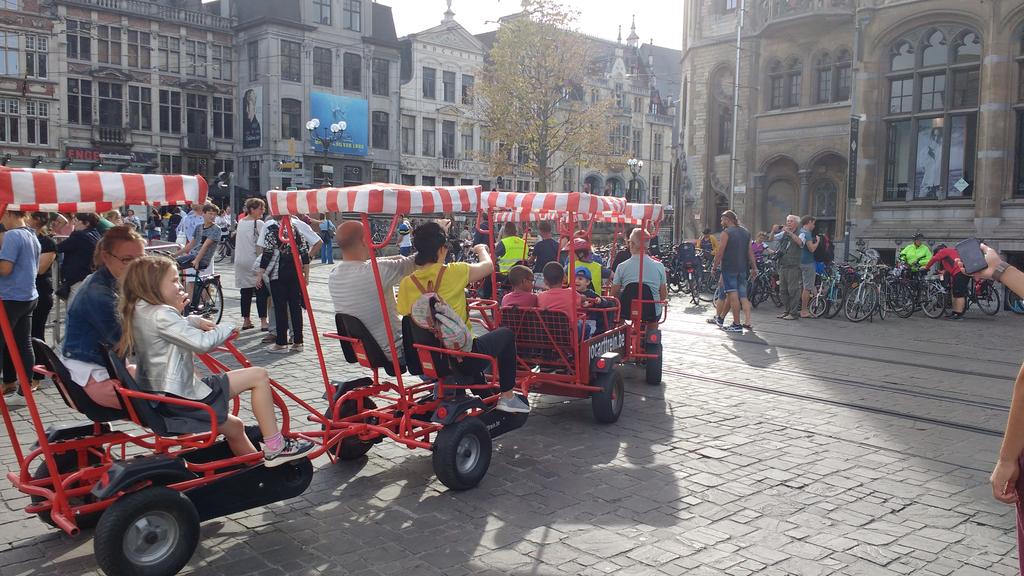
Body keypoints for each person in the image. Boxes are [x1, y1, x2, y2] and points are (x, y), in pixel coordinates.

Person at [118, 255, 313, 465]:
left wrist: (191, 319)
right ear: (153, 285)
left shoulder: (140, 310)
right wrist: (226, 327)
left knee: (235, 427)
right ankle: (276, 446)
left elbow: (168, 329)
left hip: (164, 398)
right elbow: (201, 343)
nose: (180, 285)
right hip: (184, 398)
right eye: (174, 280)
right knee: (258, 375)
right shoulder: (162, 314)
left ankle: (258, 472)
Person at [396, 222, 529, 413]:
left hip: (430, 357)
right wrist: (481, 249)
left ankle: (482, 393)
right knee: (506, 335)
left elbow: (408, 316)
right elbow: (489, 266)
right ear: (442, 249)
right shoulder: (455, 271)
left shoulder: (407, 283)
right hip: (462, 357)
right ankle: (507, 396)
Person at [61, 226, 145, 408]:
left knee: (180, 384)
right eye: (127, 259)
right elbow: (128, 343)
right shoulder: (98, 293)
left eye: (140, 259)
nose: (135, 266)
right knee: (175, 395)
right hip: (94, 377)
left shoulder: (113, 281)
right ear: (106, 257)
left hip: (104, 369)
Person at [329, 221, 416, 363]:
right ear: (364, 240)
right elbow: (415, 261)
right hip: (396, 351)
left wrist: (398, 258)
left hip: (362, 349)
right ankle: (439, 383)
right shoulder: (377, 272)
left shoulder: (334, 275)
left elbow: (378, 263)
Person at [0, 210, 40, 404]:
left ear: (8, 213)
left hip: (10, 297)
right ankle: (24, 393)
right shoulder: (32, 234)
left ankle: (20, 391)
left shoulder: (13, 235)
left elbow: (5, 269)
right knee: (24, 344)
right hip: (28, 296)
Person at [258, 215, 311, 353]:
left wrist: (259, 275)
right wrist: (306, 275)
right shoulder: (296, 230)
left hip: (278, 273)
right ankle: (298, 342)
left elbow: (267, 254)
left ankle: (281, 343)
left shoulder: (272, 230)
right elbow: (304, 254)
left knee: (280, 308)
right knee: (295, 307)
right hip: (295, 272)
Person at [711, 210, 758, 332]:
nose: (721, 222)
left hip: (729, 268)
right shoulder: (746, 232)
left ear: (728, 219)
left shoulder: (726, 233)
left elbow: (720, 252)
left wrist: (714, 266)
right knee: (739, 295)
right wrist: (754, 267)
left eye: (722, 220)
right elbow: (750, 252)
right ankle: (722, 318)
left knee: (732, 296)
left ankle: (736, 324)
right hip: (743, 269)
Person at [610, 228, 668, 317]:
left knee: (618, 318)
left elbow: (614, 293)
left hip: (626, 310)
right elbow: (663, 295)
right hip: (652, 312)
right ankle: (652, 330)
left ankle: (621, 330)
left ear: (632, 244)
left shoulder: (622, 266)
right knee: (653, 324)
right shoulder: (659, 266)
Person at [29, 213, 57, 385]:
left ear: (37, 220)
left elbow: (40, 269)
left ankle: (39, 376)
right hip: (25, 291)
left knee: (36, 333)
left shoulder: (47, 242)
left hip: (41, 291)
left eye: (28, 217)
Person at [234, 198, 269, 332]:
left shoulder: (241, 222)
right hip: (253, 261)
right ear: (252, 209)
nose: (263, 211)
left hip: (240, 261)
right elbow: (263, 243)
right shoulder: (258, 223)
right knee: (261, 291)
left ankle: (246, 320)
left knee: (245, 292)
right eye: (261, 208)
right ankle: (264, 322)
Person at [174, 203, 221, 299]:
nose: (212, 216)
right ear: (203, 214)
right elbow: (191, 244)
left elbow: (205, 246)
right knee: (175, 265)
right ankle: (189, 305)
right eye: (210, 213)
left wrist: (197, 260)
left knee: (204, 283)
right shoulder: (199, 227)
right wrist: (174, 255)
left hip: (203, 258)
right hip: (193, 255)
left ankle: (205, 304)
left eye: (214, 214)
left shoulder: (216, 229)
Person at [57, 213, 102, 305]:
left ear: (86, 223)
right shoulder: (96, 234)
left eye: (76, 220)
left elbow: (59, 247)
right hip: (90, 275)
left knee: (73, 308)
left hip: (77, 277)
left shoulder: (79, 236)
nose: (73, 223)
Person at [924, 244, 968, 320]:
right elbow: (949, 268)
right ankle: (954, 312)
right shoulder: (950, 254)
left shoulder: (944, 251)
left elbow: (934, 259)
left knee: (959, 294)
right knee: (954, 293)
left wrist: (926, 268)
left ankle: (958, 315)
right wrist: (942, 273)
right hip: (959, 273)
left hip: (960, 272)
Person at [773, 215, 805, 320]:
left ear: (796, 223)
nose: (788, 223)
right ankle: (786, 311)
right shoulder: (784, 233)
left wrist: (790, 233)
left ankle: (793, 313)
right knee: (783, 290)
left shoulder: (801, 233)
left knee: (793, 290)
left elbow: (800, 243)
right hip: (783, 265)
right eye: (787, 221)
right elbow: (773, 238)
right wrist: (774, 231)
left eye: (791, 221)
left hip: (793, 266)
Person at [574, 266, 616, 335]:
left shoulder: (591, 293)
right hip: (575, 320)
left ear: (587, 282)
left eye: (580, 279)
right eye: (574, 278)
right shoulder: (570, 293)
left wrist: (599, 300)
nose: (576, 281)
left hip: (589, 321)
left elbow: (604, 302)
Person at [797, 216, 820, 318]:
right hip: (807, 263)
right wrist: (817, 242)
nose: (814, 226)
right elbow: (811, 249)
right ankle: (804, 311)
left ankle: (796, 308)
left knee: (800, 286)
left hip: (798, 262)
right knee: (807, 287)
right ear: (809, 222)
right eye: (813, 223)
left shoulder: (799, 231)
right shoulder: (807, 234)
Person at [530, 221, 559, 286]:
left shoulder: (539, 245)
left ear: (541, 231)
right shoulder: (557, 245)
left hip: (539, 273)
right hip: (552, 274)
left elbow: (531, 260)